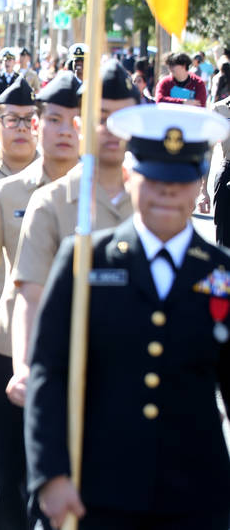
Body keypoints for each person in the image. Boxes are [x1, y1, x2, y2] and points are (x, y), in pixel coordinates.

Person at [27, 102, 230, 530]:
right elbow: (50, 371)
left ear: (199, 186)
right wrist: (51, 475)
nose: (167, 192)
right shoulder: (85, 260)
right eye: (154, 178)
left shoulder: (220, 273)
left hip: (197, 495)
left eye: (180, 180)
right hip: (97, 489)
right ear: (127, 175)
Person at [0, 73, 81, 529]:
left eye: (75, 121)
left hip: (82, 354)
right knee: (7, 475)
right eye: (50, 120)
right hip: (11, 350)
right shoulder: (7, 192)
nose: (61, 130)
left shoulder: (106, 197)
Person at [8, 61, 139, 409]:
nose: (112, 129)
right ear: (81, 125)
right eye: (102, 116)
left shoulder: (154, 204)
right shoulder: (50, 202)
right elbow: (32, 295)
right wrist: (24, 366)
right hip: (65, 369)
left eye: (123, 118)